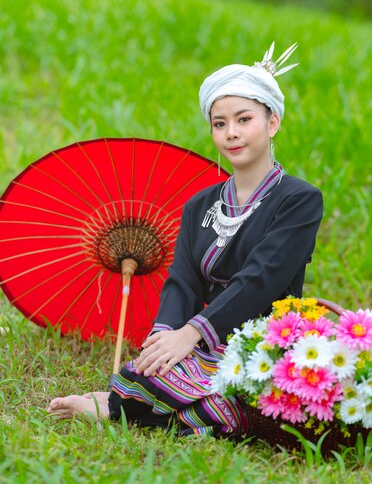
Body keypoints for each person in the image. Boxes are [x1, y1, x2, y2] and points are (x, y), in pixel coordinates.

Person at [47, 41, 323, 437]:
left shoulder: (298, 200)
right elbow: (184, 279)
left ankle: (115, 405)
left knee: (230, 406)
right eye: (220, 123)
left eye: (244, 119)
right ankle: (133, 398)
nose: (232, 133)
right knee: (155, 368)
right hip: (205, 338)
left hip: (264, 340)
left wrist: (192, 333)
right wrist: (166, 335)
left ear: (273, 122)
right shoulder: (200, 204)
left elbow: (262, 279)